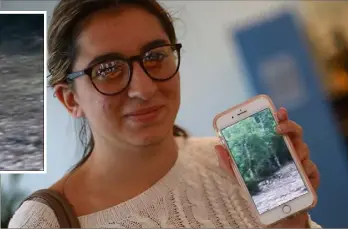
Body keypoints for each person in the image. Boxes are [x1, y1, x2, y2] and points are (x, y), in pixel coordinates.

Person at [9, 0, 321, 228]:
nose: (143, 88)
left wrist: (291, 225)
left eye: (155, 56)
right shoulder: (43, 222)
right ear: (69, 99)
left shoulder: (232, 165)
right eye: (108, 69)